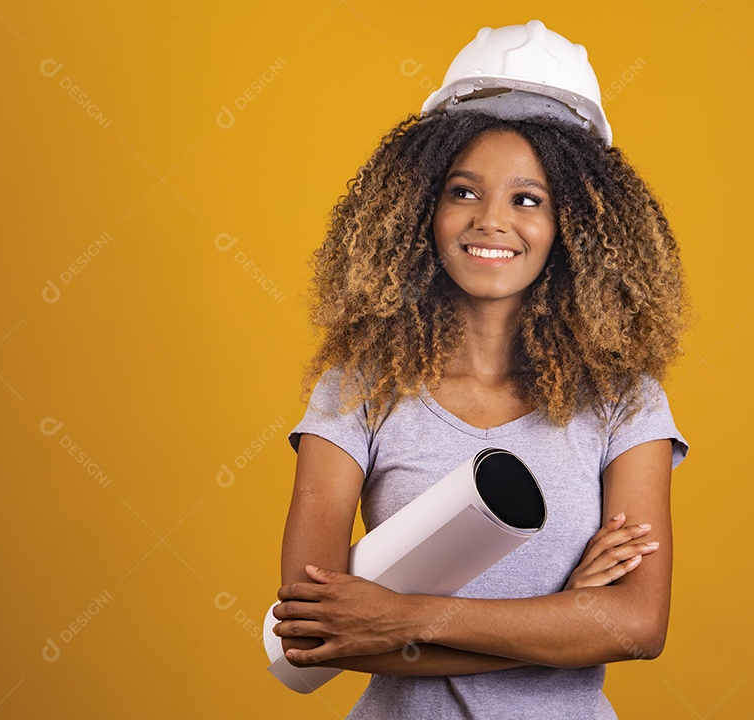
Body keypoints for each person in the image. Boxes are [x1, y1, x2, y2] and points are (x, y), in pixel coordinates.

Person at [271, 20, 690, 719]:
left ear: (573, 226)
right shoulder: (360, 389)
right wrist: (566, 620)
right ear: (421, 209)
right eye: (464, 192)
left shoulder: (624, 403)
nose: (491, 221)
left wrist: (403, 618)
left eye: (529, 200)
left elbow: (640, 627)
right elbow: (310, 631)